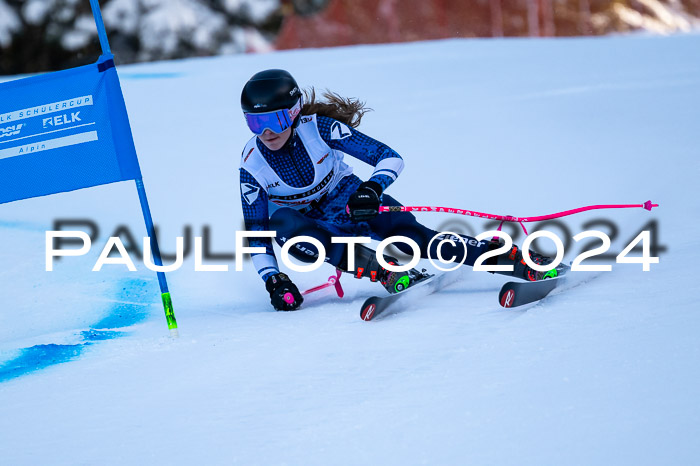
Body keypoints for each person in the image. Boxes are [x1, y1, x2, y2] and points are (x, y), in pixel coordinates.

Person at [239, 69, 560, 311]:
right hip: (308, 224)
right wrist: (273, 279)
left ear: (293, 112)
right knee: (283, 225)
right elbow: (256, 233)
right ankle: (383, 270)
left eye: (275, 120)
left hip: (347, 197)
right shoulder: (252, 164)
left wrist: (371, 189)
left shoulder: (318, 128)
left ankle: (507, 257)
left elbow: (389, 157)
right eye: (255, 123)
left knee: (415, 240)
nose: (266, 133)